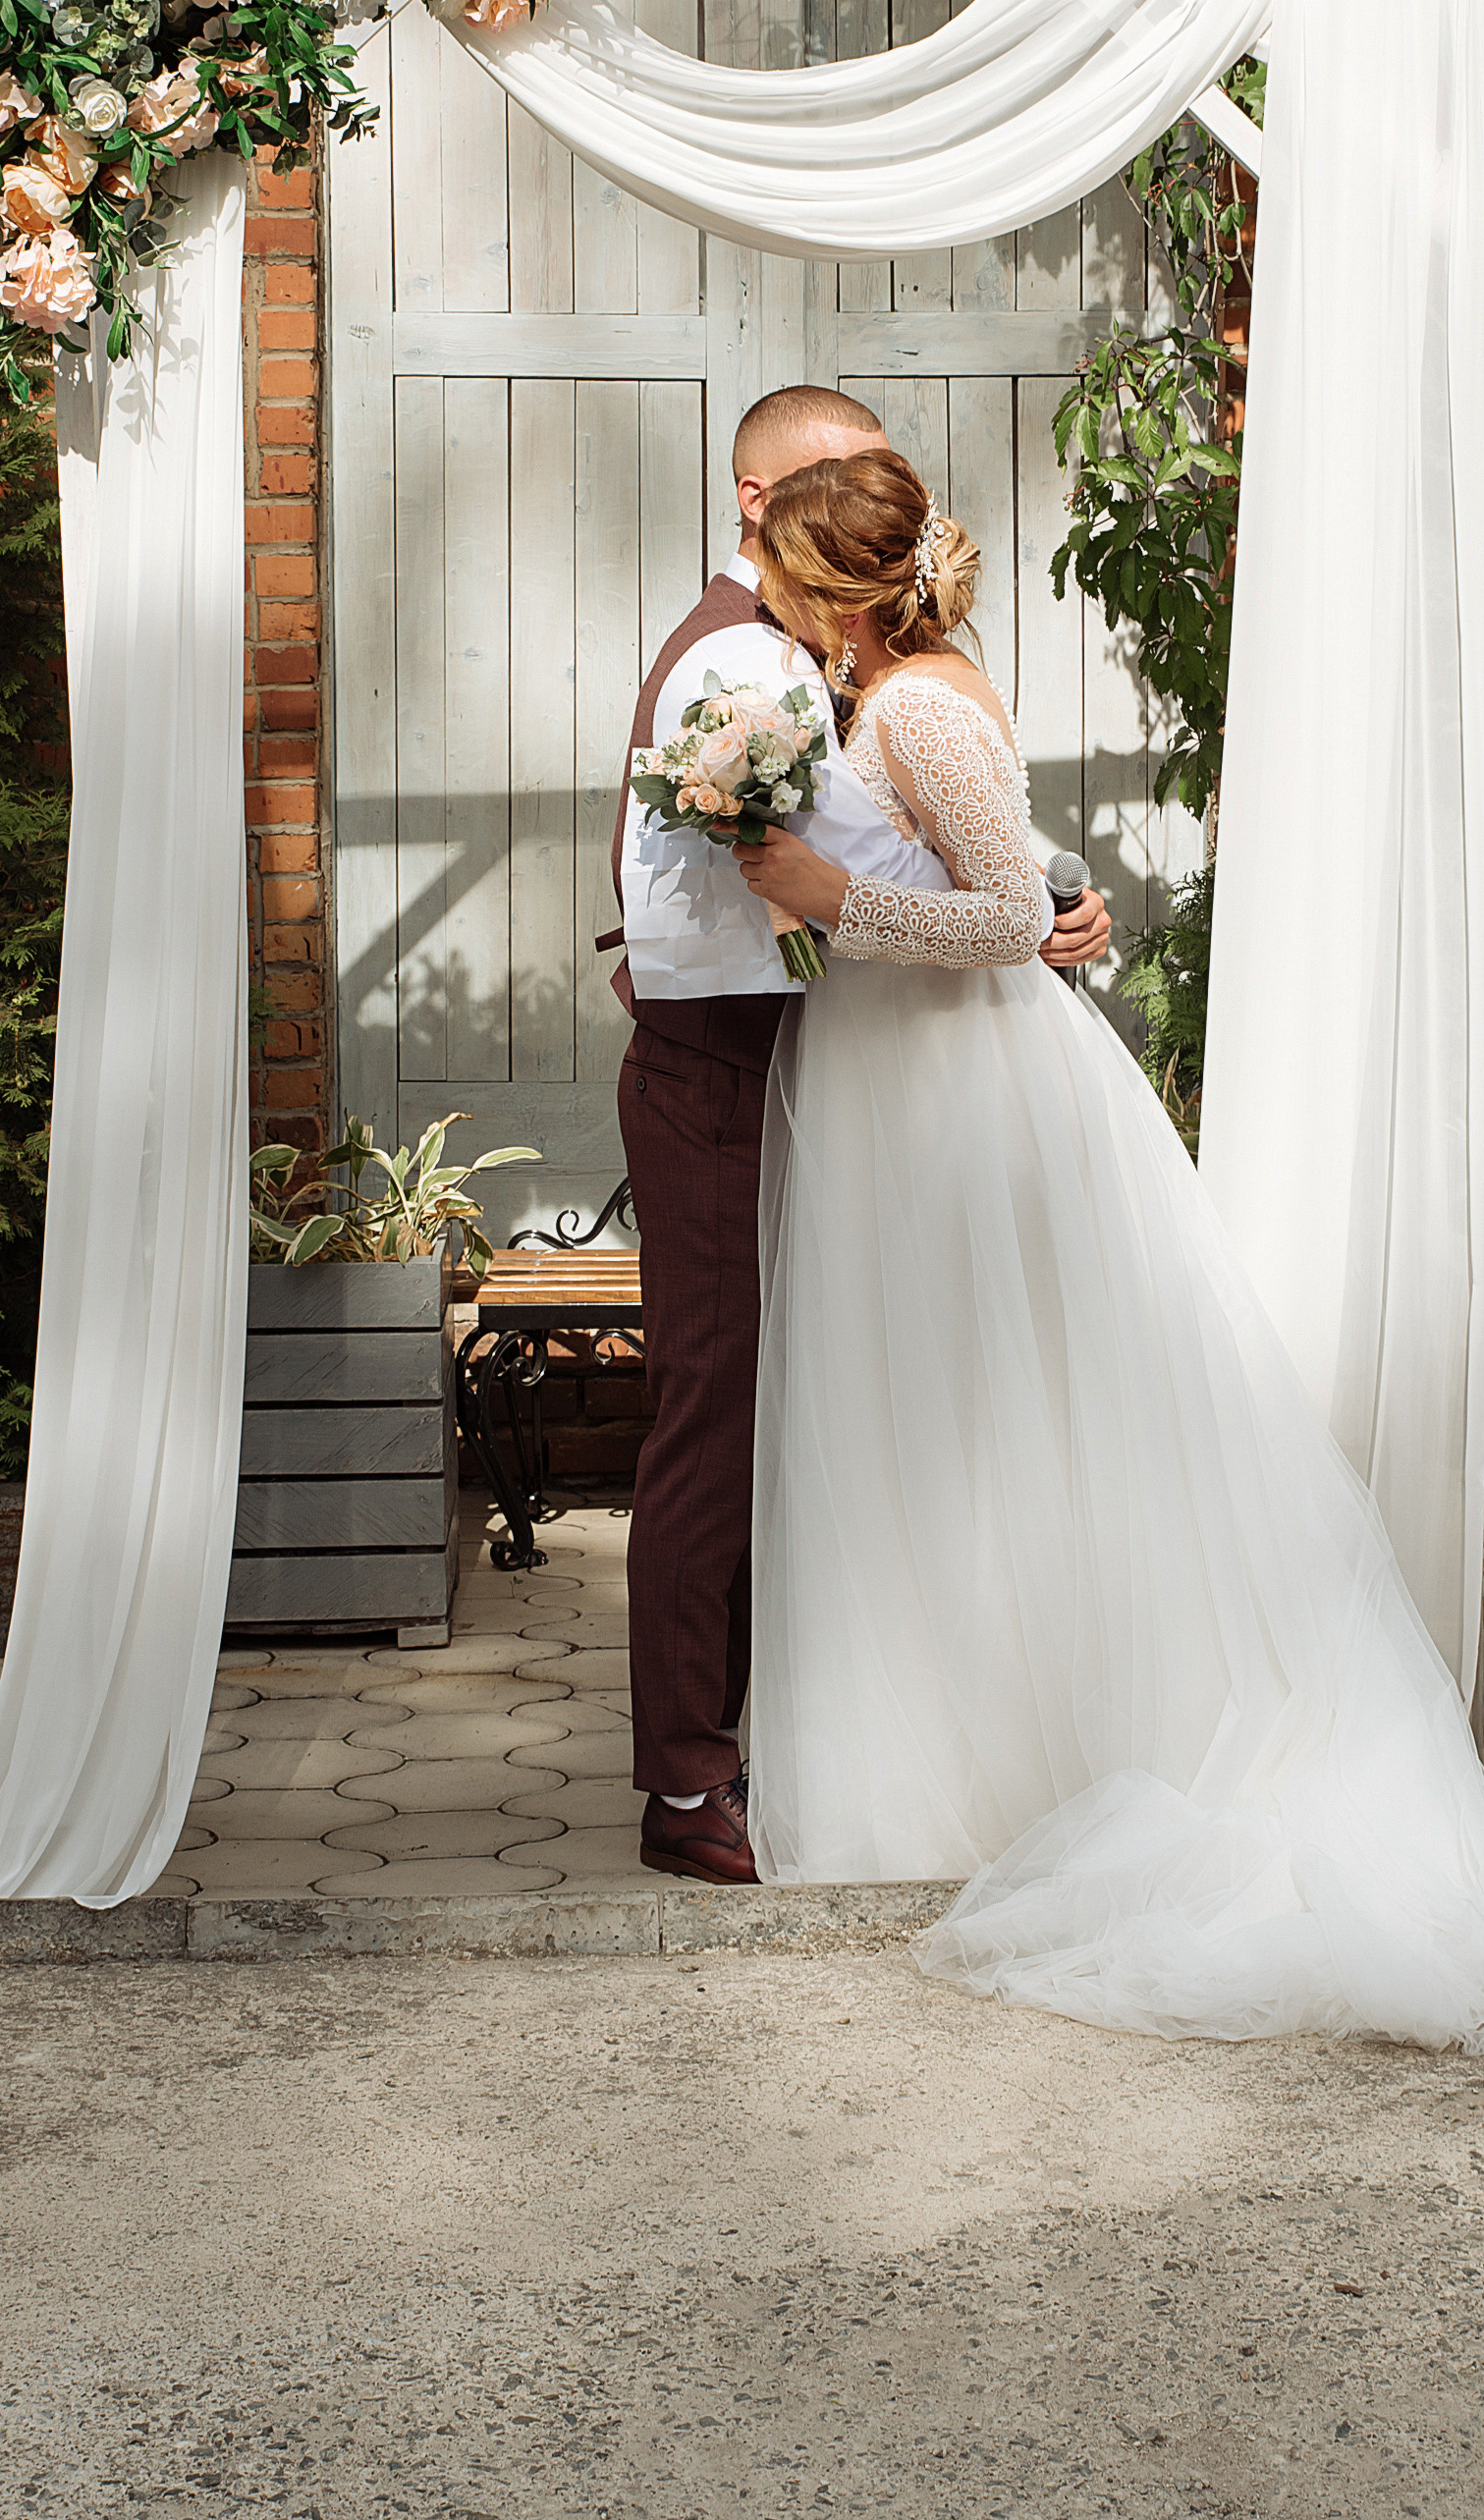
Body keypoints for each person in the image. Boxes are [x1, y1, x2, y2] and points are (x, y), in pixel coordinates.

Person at [730, 448, 1484, 2050]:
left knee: (1008, 1418)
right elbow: (1018, 881)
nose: (771, 600)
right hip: (897, 1080)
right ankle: (957, 1755)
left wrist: (823, 894)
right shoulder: (883, 693)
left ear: (842, 595)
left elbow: (1011, 919)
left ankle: (1049, 1766)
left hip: (961, 1091)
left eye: (787, 579)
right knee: (928, 1423)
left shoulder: (921, 705)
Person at [611, 386, 1113, 1890]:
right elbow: (706, 887)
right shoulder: (742, 662)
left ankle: (816, 1726)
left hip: (840, 1071)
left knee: (839, 1409)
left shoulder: (825, 661)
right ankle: (688, 1776)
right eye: (836, 485)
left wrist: (1047, 898)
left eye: (880, 485)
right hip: (725, 1070)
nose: (868, 509)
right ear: (762, 504)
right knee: (717, 1419)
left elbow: (914, 828)